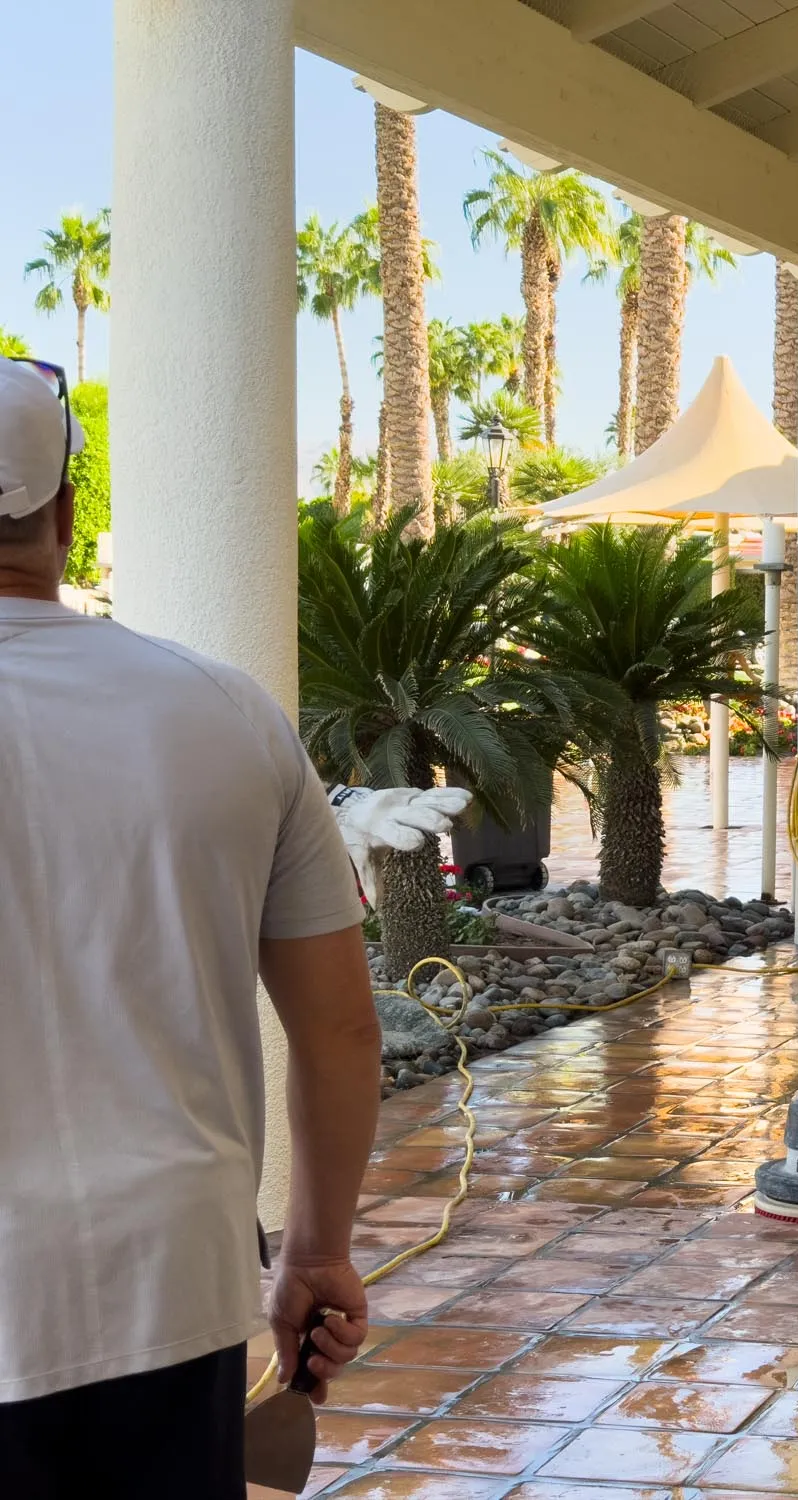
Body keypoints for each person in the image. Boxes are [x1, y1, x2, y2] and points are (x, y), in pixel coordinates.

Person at [0, 358, 380, 1495]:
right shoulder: (224, 714)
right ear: (66, 513)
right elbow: (340, 1032)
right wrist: (316, 1251)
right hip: (166, 1282)